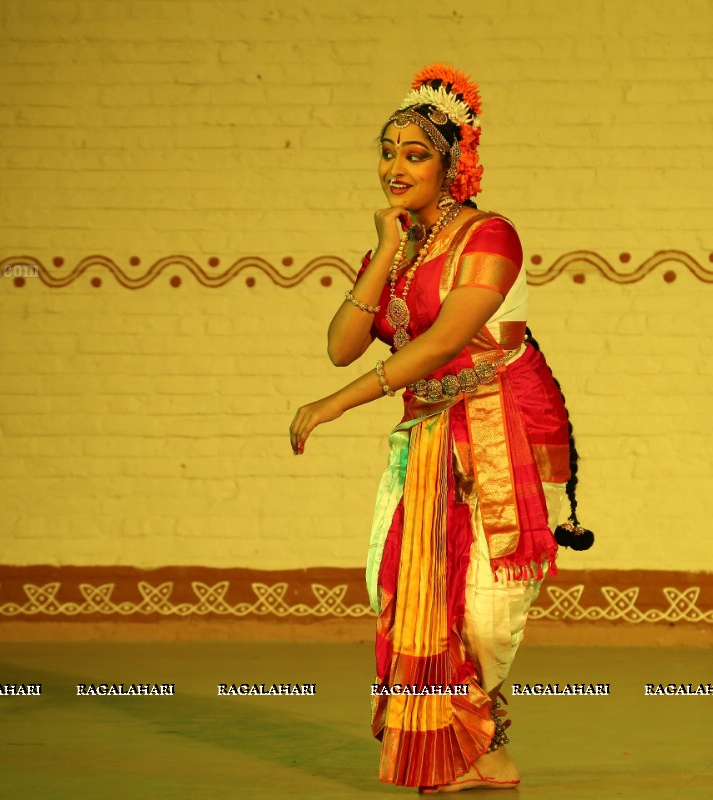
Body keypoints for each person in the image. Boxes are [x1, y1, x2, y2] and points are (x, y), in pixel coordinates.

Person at [289, 63, 591, 794]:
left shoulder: (492, 235)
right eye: (388, 151)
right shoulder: (397, 252)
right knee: (395, 586)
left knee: (488, 612)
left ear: (453, 163)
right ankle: (476, 751)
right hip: (427, 428)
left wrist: (335, 404)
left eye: (415, 153)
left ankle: (481, 735)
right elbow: (340, 343)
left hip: (503, 422)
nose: (395, 167)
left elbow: (440, 344)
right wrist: (385, 252)